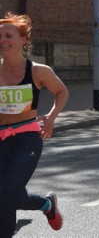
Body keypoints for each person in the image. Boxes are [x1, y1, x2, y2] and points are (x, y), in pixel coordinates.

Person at [0, 13, 68, 236]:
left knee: (6, 195)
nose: (3, 40)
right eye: (0, 36)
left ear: (24, 40)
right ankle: (46, 205)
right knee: (11, 194)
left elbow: (61, 92)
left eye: (9, 35)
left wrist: (51, 116)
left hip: (26, 139)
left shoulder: (38, 71)